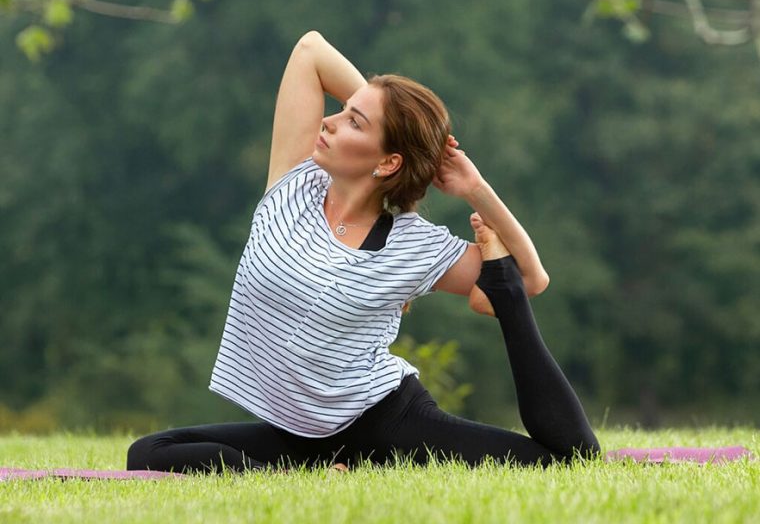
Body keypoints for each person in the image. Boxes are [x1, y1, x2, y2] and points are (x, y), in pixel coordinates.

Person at [126, 31, 600, 473]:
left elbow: (530, 279)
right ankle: (308, 475)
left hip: (388, 423)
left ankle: (318, 472)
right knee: (149, 453)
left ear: (388, 162)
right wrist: (397, 126)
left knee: (567, 458)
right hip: (299, 434)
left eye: (353, 121)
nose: (329, 122)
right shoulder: (293, 184)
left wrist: (475, 189)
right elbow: (311, 49)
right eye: (344, 110)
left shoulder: (412, 244)